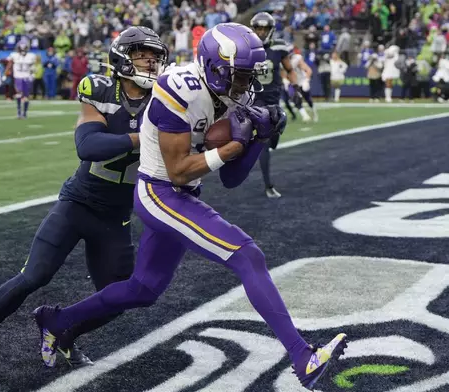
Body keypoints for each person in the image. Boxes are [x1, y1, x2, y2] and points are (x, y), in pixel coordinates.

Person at [33, 23, 348, 391]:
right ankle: (302, 357)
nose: (244, 83)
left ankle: (55, 320)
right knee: (247, 255)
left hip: (182, 194)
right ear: (215, 66)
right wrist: (231, 147)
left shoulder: (234, 96)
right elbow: (179, 171)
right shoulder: (178, 87)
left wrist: (260, 138)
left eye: (248, 75)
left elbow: (231, 179)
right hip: (160, 193)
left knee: (143, 289)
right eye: (238, 74)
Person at [0, 26, 169, 380]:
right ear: (122, 57)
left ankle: (65, 334)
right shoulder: (102, 90)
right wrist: (145, 136)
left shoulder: (166, 100)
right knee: (33, 276)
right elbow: (88, 146)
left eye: (155, 56)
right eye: (142, 54)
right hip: (79, 204)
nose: (150, 62)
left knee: (122, 295)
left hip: (117, 216)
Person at [250, 11, 297, 199]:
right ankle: (268, 185)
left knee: (274, 137)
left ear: (271, 30)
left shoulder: (279, 47)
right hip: (255, 100)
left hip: (274, 99)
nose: (261, 32)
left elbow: (290, 69)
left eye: (265, 28)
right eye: (258, 28)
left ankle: (275, 132)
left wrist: (297, 88)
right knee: (265, 142)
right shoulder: (247, 48)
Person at [8, 40, 36, 118]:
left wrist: (32, 74)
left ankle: (24, 112)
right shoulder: (14, 55)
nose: (23, 51)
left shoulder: (30, 56)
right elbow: (9, 64)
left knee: (25, 96)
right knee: (19, 94)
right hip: (18, 77)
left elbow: (33, 67)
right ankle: (19, 112)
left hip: (26, 77)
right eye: (21, 49)